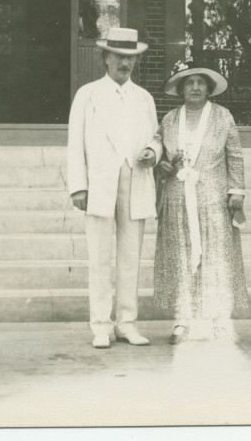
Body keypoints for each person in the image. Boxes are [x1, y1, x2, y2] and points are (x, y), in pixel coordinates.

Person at [68, 27, 161, 349]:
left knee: (130, 257)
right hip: (100, 183)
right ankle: (101, 326)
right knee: (99, 258)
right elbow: (74, 144)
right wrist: (79, 187)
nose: (125, 63)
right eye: (119, 56)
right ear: (105, 58)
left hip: (135, 180)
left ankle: (127, 323)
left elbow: (155, 136)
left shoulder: (144, 97)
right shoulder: (88, 94)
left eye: (131, 58)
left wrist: (153, 151)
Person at [153, 62, 248, 344]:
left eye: (200, 83)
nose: (195, 87)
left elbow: (236, 155)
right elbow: (160, 152)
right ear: (181, 89)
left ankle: (219, 322)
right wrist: (163, 166)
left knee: (216, 260)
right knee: (180, 259)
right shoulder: (170, 119)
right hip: (178, 198)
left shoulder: (222, 116)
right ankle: (182, 321)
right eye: (189, 83)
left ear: (208, 89)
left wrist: (237, 190)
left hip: (213, 199)